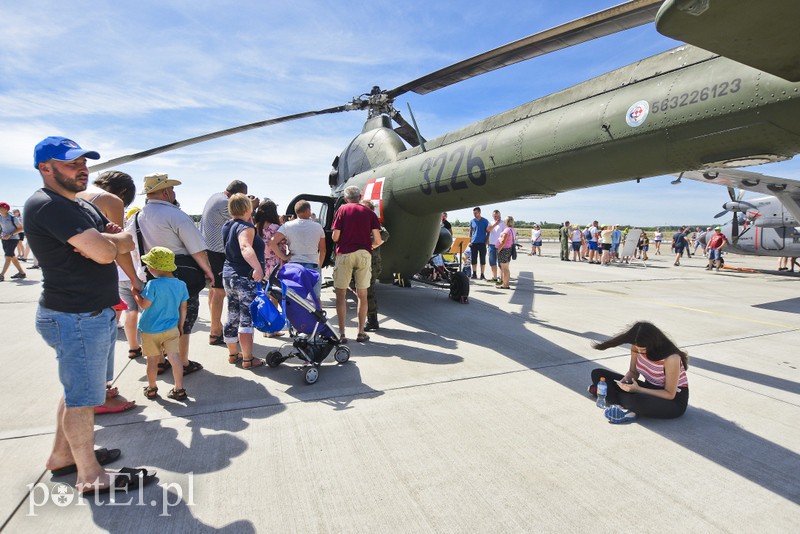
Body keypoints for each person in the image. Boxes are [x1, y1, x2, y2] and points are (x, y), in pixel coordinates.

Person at [26, 136, 154, 493]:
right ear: (46, 169)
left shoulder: (80, 206)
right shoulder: (48, 205)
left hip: (88, 314)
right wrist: (105, 243)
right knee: (83, 398)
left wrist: (107, 241)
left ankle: (62, 457)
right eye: (71, 163)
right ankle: (89, 475)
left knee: (76, 392)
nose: (82, 169)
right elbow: (102, 252)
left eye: (84, 162)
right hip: (74, 316)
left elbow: (125, 240)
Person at [134, 173, 213, 376]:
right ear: (166, 191)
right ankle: (183, 362)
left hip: (152, 275)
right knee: (183, 321)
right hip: (181, 277)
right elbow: (196, 248)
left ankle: (159, 361)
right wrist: (208, 271)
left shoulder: (137, 217)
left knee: (158, 317)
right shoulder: (175, 215)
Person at [76, 170, 140, 414]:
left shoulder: (77, 195)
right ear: (123, 192)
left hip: (73, 282)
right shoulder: (111, 200)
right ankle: (98, 396)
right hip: (96, 281)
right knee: (102, 335)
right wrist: (134, 279)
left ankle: (98, 389)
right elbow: (121, 245)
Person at [588, 322, 689, 424]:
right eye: (637, 348)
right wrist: (624, 381)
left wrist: (639, 390)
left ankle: (613, 399)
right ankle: (619, 401)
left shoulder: (671, 358)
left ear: (653, 343)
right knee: (598, 373)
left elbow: (670, 394)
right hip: (648, 388)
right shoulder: (636, 347)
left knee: (634, 400)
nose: (640, 351)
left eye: (643, 349)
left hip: (672, 401)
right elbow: (633, 372)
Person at [134, 247, 189, 401]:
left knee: (152, 360)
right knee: (174, 358)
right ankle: (179, 389)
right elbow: (183, 307)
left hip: (150, 329)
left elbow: (145, 305)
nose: (148, 268)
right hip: (172, 328)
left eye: (149, 265)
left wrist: (135, 294)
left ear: (157, 267)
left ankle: (152, 388)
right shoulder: (181, 285)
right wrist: (181, 325)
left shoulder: (153, 285)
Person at [199, 180, 248, 346]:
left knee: (214, 291)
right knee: (220, 292)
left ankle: (216, 326)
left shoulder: (216, 196)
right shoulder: (225, 203)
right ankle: (214, 332)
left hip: (209, 249)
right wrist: (251, 206)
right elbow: (242, 219)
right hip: (218, 251)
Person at [331, 186, 382, 343]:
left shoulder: (342, 209)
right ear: (360, 196)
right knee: (363, 295)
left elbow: (335, 236)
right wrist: (368, 246)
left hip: (345, 253)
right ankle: (361, 332)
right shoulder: (370, 213)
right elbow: (378, 240)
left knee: (341, 294)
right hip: (364, 254)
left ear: (346, 199)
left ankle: (341, 334)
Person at [222, 193, 266, 368]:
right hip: (243, 276)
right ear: (248, 208)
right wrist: (257, 267)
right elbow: (245, 246)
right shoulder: (246, 227)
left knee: (232, 314)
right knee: (246, 317)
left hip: (228, 275)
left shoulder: (227, 226)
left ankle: (233, 354)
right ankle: (248, 359)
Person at [270, 199, 326, 297]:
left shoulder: (287, 226)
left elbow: (272, 242)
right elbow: (323, 250)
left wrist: (284, 257)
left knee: (295, 299)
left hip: (294, 266)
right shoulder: (318, 227)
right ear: (308, 211)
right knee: (315, 299)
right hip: (312, 265)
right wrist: (319, 265)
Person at [360, 200, 390, 331]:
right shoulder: (362, 222)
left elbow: (385, 234)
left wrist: (371, 245)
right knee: (363, 290)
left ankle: (372, 320)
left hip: (371, 262)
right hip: (362, 261)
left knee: (368, 291)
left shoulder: (374, 223)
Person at [0, 202, 26, 281]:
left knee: (8, 257)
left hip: (13, 239)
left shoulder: (13, 217)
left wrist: (10, 235)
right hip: (4, 239)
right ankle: (21, 273)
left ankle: (1, 275)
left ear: (6, 209)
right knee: (12, 256)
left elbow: (21, 228)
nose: (1, 209)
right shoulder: (0, 217)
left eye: (2, 208)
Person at [495, 216, 516, 289]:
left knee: (504, 268)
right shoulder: (512, 230)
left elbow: (503, 242)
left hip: (504, 250)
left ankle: (505, 285)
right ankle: (506, 284)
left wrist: (498, 250)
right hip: (508, 249)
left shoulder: (507, 230)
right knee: (506, 267)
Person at [469, 207, 489, 279]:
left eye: (476, 213)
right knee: (473, 259)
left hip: (482, 243)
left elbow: (488, 232)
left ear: (479, 212)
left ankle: (482, 274)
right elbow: (471, 232)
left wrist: (486, 242)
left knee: (482, 259)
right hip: (474, 243)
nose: (474, 214)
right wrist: (470, 241)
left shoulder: (485, 221)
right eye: (474, 213)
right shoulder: (472, 221)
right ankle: (474, 273)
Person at [486, 209, 506, 282]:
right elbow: (488, 230)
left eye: (497, 216)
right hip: (491, 245)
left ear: (500, 215)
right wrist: (495, 224)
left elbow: (505, 234)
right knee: (492, 262)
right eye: (494, 216)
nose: (495, 217)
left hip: (500, 246)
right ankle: (494, 277)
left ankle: (502, 278)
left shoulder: (503, 223)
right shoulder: (491, 223)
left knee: (500, 262)